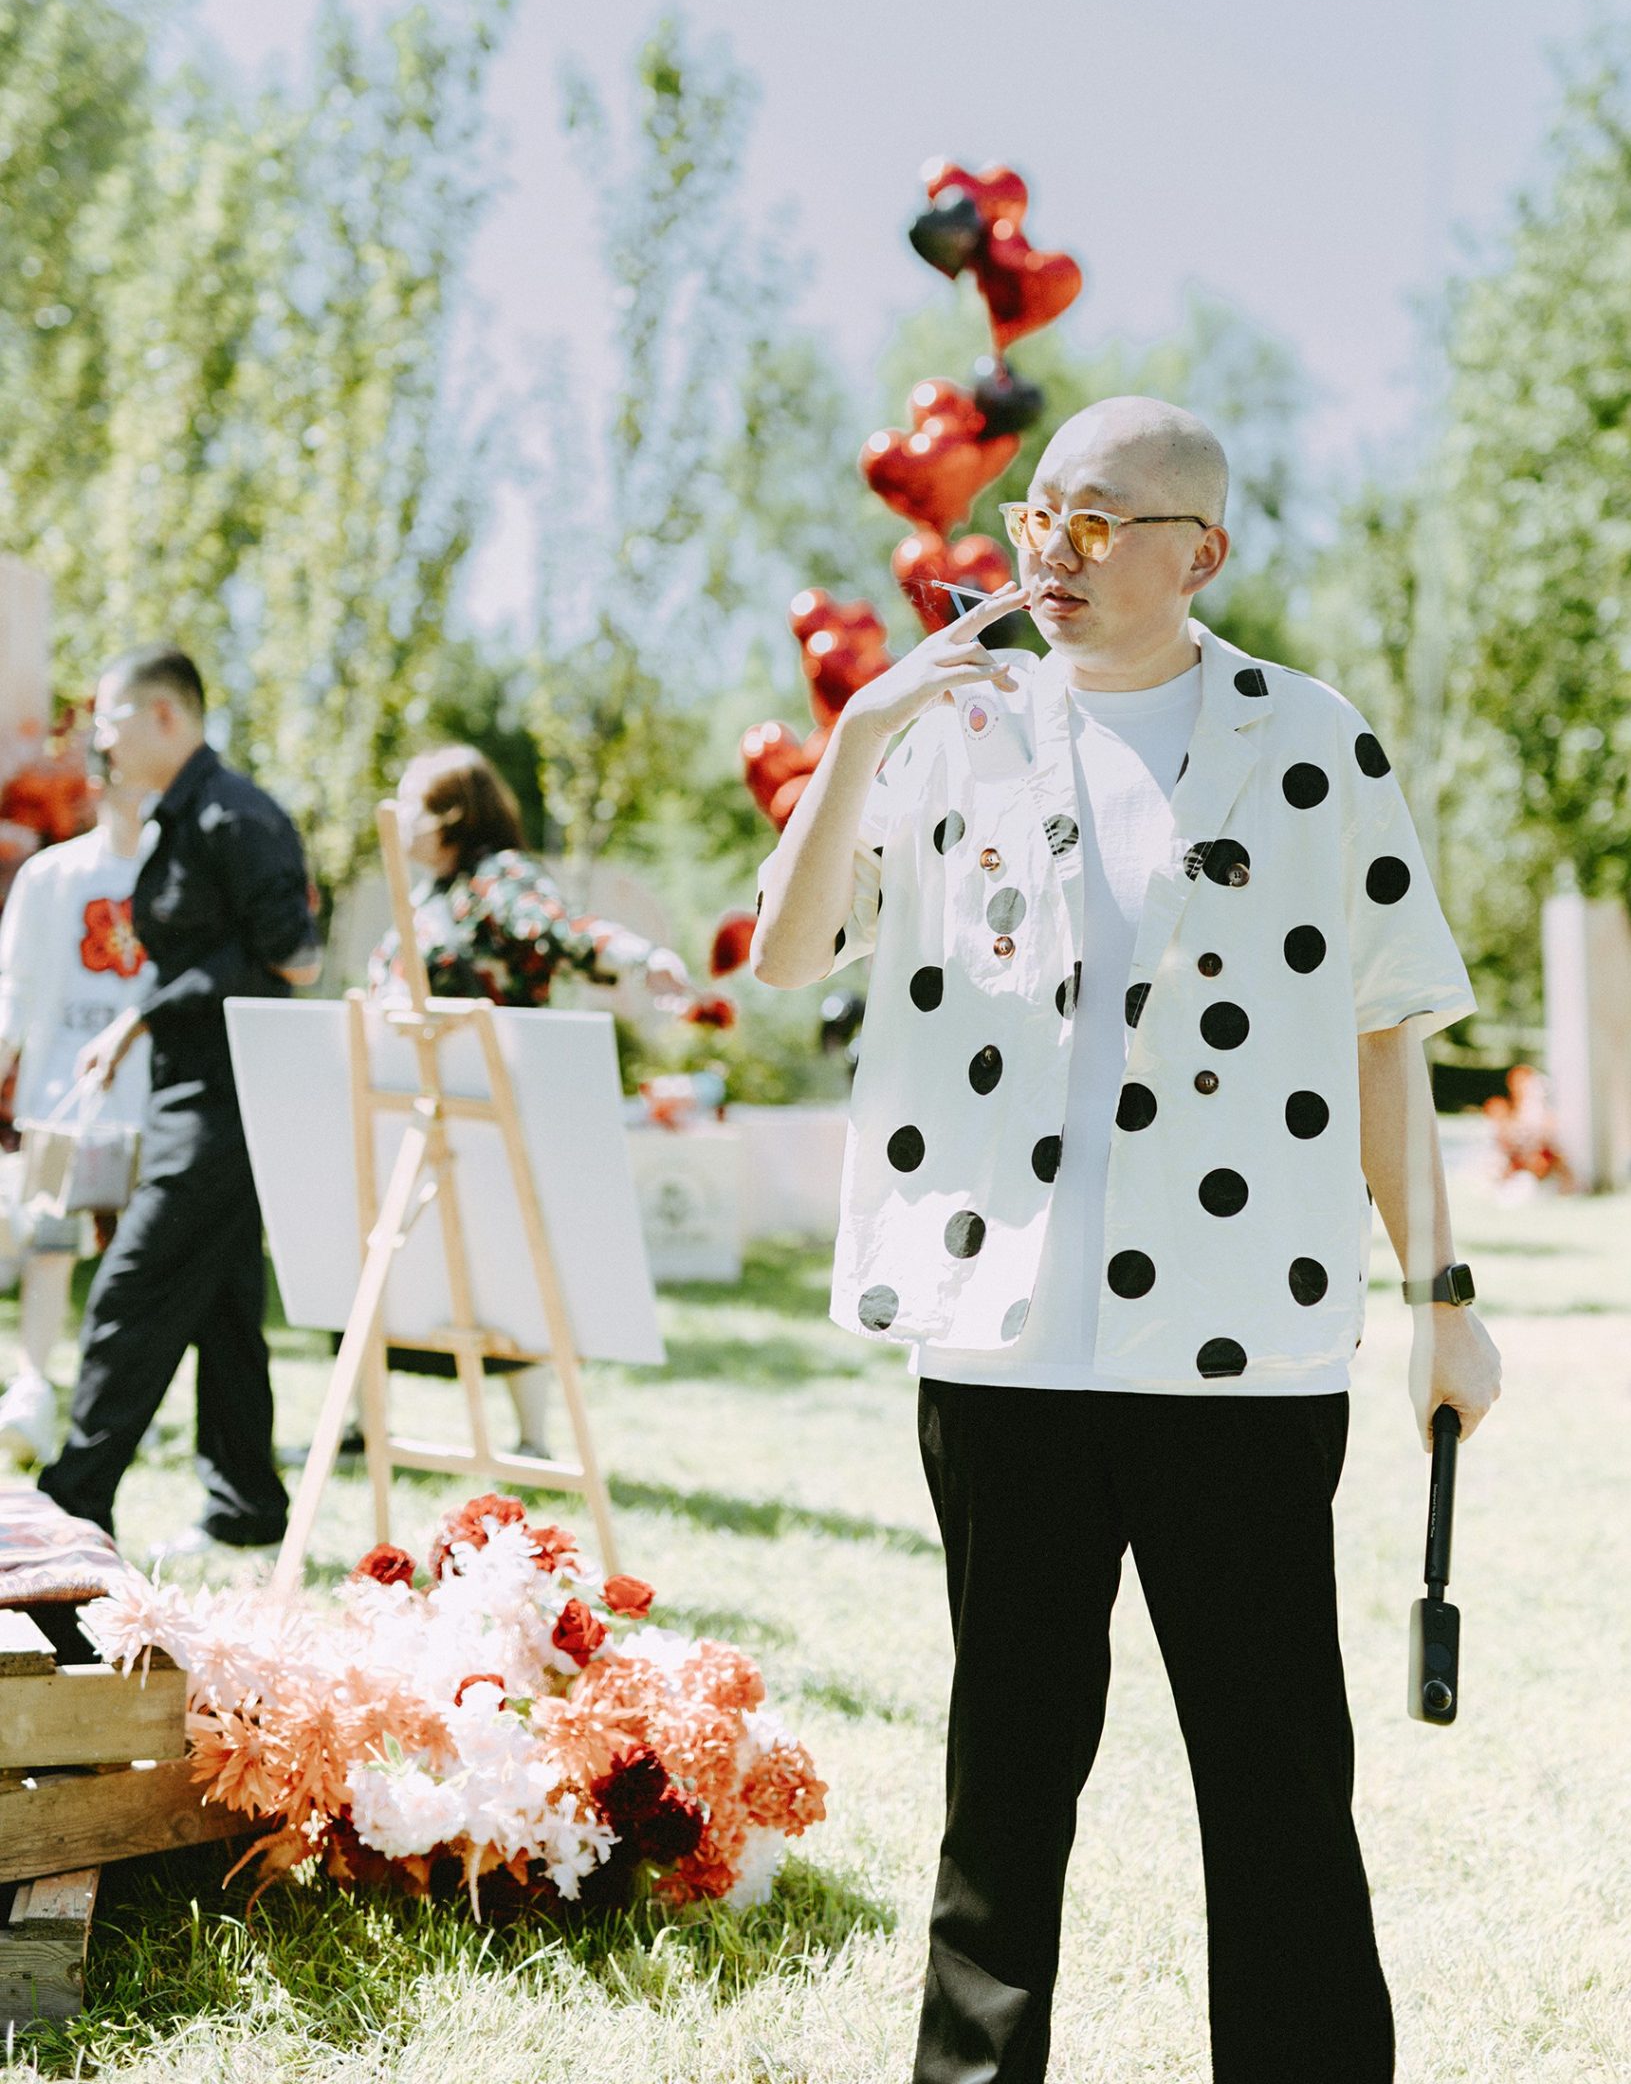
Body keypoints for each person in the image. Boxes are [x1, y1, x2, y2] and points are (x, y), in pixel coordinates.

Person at [752, 396, 1502, 2084]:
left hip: (1246, 1351)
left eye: (1096, 524)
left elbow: (1385, 1041)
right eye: (1036, 520)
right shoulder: (951, 732)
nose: (1052, 555)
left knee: (1277, 1789)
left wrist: (1440, 1298)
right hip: (1001, 1343)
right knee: (1003, 1790)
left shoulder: (1309, 742)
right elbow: (789, 954)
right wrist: (859, 732)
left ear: (1198, 553)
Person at [37, 646, 320, 1557]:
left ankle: (72, 1504)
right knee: (224, 1305)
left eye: (110, 720)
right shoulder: (181, 816)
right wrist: (139, 1022)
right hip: (188, 1087)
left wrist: (151, 1011)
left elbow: (297, 957)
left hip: (228, 1101)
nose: (100, 740)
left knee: (132, 1288)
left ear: (164, 715)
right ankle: (246, 1507)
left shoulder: (236, 816)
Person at [368, 743, 689, 1455]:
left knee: (505, 1261)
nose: (398, 814)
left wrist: (642, 959)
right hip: (413, 1108)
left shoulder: (499, 878)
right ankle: (363, 1426)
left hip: (490, 1112)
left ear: (453, 813)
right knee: (391, 1255)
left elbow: (561, 930)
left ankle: (533, 1439)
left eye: (412, 800)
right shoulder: (425, 893)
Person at [0, 756, 154, 1463]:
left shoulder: (177, 871)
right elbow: (15, 982)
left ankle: (121, 1405)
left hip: (151, 1098)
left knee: (141, 1256)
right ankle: (32, 1387)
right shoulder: (53, 875)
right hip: (61, 1095)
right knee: (49, 1241)